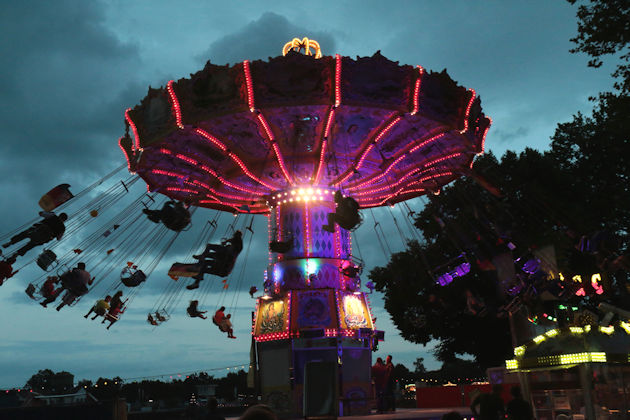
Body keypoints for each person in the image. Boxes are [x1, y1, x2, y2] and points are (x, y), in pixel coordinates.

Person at [3, 212, 67, 258]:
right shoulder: (63, 229)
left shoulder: (53, 215)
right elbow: (58, 239)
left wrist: (48, 212)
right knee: (30, 245)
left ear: (59, 215)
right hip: (42, 238)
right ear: (64, 220)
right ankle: (17, 254)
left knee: (23, 235)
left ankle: (10, 242)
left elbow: (41, 213)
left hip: (36, 230)